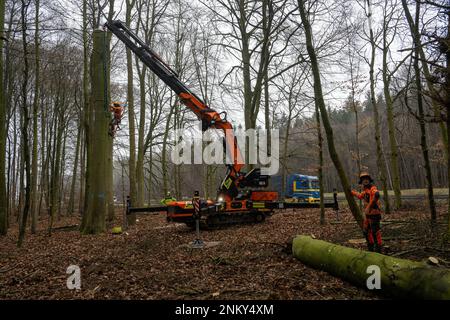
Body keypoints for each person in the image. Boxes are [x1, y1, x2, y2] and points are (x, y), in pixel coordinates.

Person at [351, 172, 383, 253]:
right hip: (368, 215)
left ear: (369, 180)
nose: (365, 181)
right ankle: (371, 248)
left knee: (375, 232)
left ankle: (378, 249)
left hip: (374, 214)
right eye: (363, 179)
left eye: (366, 179)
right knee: (366, 231)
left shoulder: (373, 188)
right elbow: (360, 196)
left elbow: (376, 194)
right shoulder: (365, 191)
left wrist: (369, 206)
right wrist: (352, 192)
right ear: (361, 182)